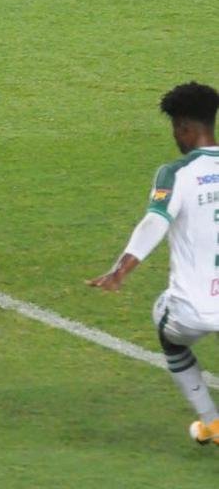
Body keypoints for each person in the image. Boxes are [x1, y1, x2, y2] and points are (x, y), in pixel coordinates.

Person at [89, 81, 219, 445]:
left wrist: (120, 270)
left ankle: (211, 421)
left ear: (184, 128)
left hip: (193, 310)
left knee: (166, 326)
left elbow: (155, 222)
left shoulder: (176, 173)